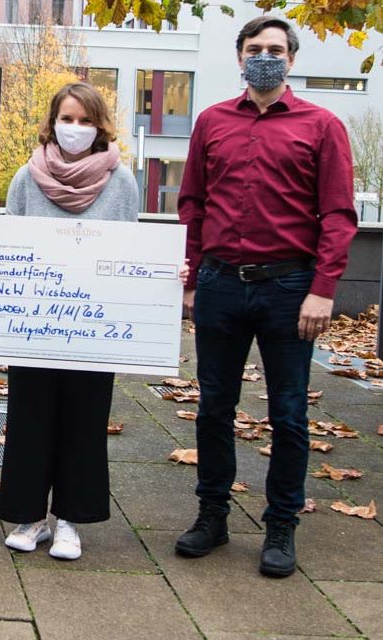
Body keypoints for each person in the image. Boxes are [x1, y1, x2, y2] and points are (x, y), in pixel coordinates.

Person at [175, 16, 357, 577]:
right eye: (255, 48)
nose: (265, 57)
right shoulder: (211, 121)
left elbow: (338, 215)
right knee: (213, 407)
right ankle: (213, 514)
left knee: (289, 412)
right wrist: (192, 278)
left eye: (276, 50)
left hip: (289, 288)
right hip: (220, 284)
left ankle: (281, 523)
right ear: (239, 56)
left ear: (291, 60)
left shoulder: (322, 125)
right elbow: (192, 203)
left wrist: (323, 290)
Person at [0, 83, 160, 560]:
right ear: (52, 122)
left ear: (100, 126)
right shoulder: (26, 178)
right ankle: (30, 517)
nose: (75, 128)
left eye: (85, 120)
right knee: (28, 418)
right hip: (35, 328)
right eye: (67, 118)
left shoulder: (122, 183)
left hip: (93, 329)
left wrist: (162, 274)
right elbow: (10, 240)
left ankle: (71, 519)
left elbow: (132, 252)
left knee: (86, 421)